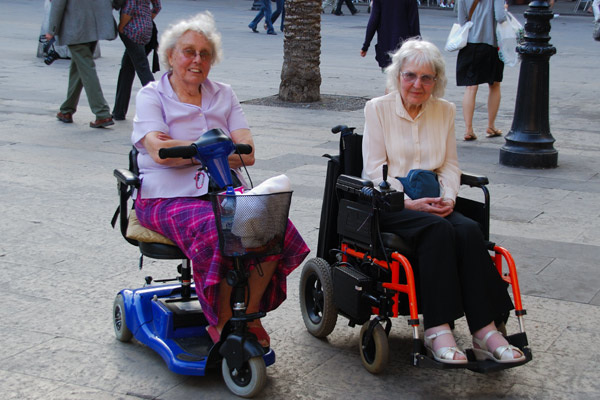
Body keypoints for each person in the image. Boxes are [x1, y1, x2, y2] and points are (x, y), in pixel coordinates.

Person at [131, 12, 310, 346]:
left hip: (223, 188)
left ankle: (249, 313)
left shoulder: (223, 94)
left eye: (205, 54)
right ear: (171, 55)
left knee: (275, 226)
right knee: (219, 232)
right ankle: (224, 321)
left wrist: (189, 149)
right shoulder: (152, 95)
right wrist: (209, 149)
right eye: (188, 51)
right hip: (166, 194)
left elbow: (248, 151)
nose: (196, 60)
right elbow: (157, 148)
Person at [361, 39, 525, 365]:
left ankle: (484, 330)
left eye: (426, 78)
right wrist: (408, 201)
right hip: (393, 204)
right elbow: (373, 169)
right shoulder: (377, 109)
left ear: (437, 80)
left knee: (467, 230)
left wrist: (448, 198)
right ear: (397, 76)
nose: (417, 85)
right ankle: (437, 327)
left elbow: (449, 164)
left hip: (435, 201)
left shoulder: (445, 110)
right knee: (438, 231)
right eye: (410, 76)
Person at [46, 0, 117, 128]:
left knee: (86, 68)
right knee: (79, 66)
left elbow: (58, 4)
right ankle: (66, 110)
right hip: (95, 23)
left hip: (75, 26)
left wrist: (52, 30)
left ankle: (102, 112)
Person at [456, 0, 507, 141]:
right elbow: (501, 17)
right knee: (495, 85)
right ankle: (491, 126)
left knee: (471, 87)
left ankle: (468, 129)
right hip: (491, 44)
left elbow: (461, 20)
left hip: (470, 44)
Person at [112, 0, 162, 121]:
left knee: (142, 68)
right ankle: (119, 111)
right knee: (127, 69)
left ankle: (161, 107)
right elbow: (157, 7)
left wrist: (121, 26)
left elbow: (129, 9)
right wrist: (145, 18)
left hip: (132, 31)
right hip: (147, 29)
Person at [360, 0, 420, 71]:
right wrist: (418, 46)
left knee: (391, 78)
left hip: (386, 46)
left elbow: (373, 21)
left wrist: (365, 46)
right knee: (404, 77)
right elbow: (414, 25)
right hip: (405, 47)